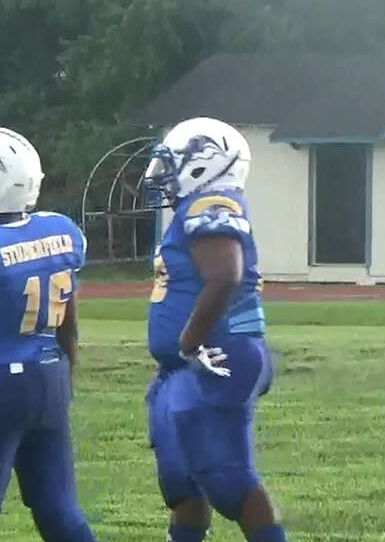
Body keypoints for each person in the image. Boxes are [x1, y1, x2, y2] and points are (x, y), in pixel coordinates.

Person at [141, 117, 288, 542]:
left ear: (205, 163)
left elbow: (225, 274)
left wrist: (189, 341)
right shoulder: (193, 207)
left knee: (228, 480)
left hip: (218, 354)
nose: (163, 176)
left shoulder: (213, 203)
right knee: (180, 481)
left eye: (172, 164)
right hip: (182, 365)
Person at [0, 127, 96, 541]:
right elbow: (67, 316)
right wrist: (67, 368)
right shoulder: (59, 230)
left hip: (4, 379)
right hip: (49, 375)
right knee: (58, 508)